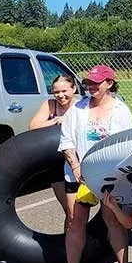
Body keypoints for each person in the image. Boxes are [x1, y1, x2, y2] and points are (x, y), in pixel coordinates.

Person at [56, 65, 132, 263]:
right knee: (75, 221)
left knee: (113, 220)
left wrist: (113, 174)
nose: (90, 87)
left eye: (95, 83)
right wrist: (76, 167)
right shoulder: (77, 109)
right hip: (78, 177)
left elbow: (125, 145)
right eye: (88, 83)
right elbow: (67, 142)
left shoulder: (121, 110)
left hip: (109, 177)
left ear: (109, 83)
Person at [30, 75, 78, 210]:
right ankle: (74, 230)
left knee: (80, 207)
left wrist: (67, 120)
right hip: (56, 160)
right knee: (69, 209)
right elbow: (33, 126)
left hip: (77, 160)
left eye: (64, 91)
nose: (60, 95)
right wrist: (56, 120)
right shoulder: (50, 104)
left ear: (73, 89)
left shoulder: (81, 105)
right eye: (56, 92)